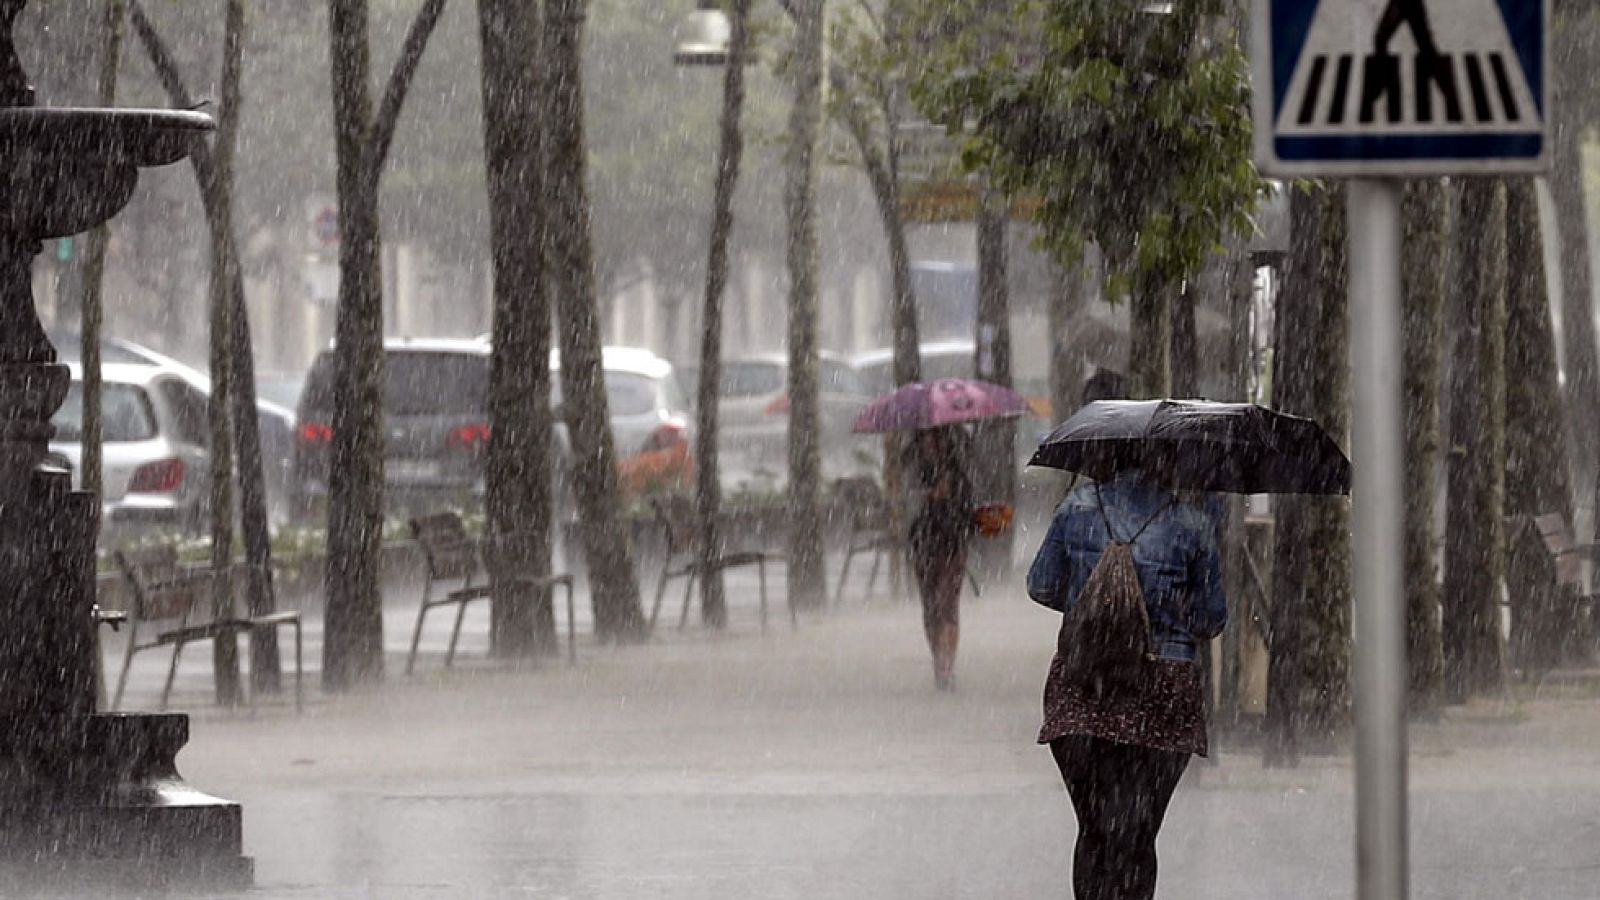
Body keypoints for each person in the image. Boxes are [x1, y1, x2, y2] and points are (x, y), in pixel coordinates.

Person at [1026, 464, 1226, 900]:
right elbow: (1211, 620)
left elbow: (1040, 586)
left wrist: (1097, 610)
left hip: (1083, 686)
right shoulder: (1193, 526)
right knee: (1138, 836)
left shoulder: (1074, 509)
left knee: (1094, 830)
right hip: (1163, 692)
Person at [905, 425, 975, 691]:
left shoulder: (958, 473)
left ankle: (947, 668)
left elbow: (968, 508)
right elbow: (903, 506)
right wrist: (927, 498)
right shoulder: (913, 471)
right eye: (927, 439)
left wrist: (951, 497)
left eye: (938, 438)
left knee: (947, 604)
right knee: (930, 607)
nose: (932, 444)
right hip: (923, 543)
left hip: (952, 541)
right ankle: (938, 661)